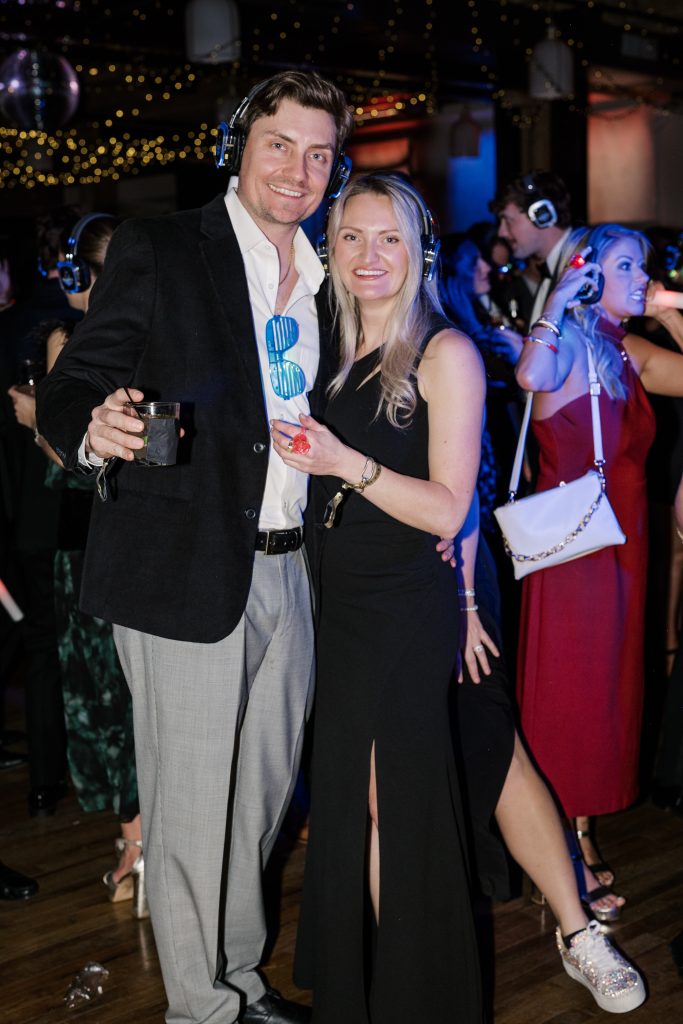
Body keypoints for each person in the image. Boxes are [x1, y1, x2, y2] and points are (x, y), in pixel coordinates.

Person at [36, 70, 354, 1024]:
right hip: (182, 566)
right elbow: (73, 383)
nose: (297, 169)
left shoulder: (332, 275)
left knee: (258, 803)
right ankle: (200, 1010)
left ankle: (238, 978)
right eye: (278, 145)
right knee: (189, 806)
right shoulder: (164, 247)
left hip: (293, 570)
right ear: (239, 147)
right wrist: (94, 427)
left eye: (319, 154)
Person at [271, 173, 486, 1024]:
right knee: (345, 803)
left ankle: (413, 1000)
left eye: (388, 237)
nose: (369, 255)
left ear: (419, 249)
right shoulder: (323, 345)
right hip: (331, 599)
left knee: (388, 802)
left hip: (399, 604)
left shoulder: (444, 352)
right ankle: (359, 989)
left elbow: (449, 508)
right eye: (351, 238)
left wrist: (345, 465)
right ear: (330, 250)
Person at [513, 223, 683, 907]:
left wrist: (669, 311)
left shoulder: (625, 349)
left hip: (624, 546)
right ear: (589, 274)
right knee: (571, 693)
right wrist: (557, 301)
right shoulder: (570, 343)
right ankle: (557, 847)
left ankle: (576, 832)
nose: (640, 277)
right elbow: (530, 376)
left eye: (643, 266)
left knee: (603, 692)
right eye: (625, 266)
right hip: (574, 554)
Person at [454, 492, 646, 1014]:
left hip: (451, 563)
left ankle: (577, 933)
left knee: (500, 744)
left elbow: (460, 485)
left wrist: (465, 598)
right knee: (388, 779)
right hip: (360, 574)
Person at [8, 211, 145, 917]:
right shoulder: (150, 335)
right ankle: (145, 839)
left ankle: (136, 845)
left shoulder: (76, 338)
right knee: (132, 695)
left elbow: (75, 458)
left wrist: (37, 422)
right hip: (129, 539)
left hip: (89, 543)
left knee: (106, 697)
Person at [490, 170, 574, 326]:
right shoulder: (551, 269)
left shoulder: (585, 265)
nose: (502, 232)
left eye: (508, 221)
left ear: (542, 214)